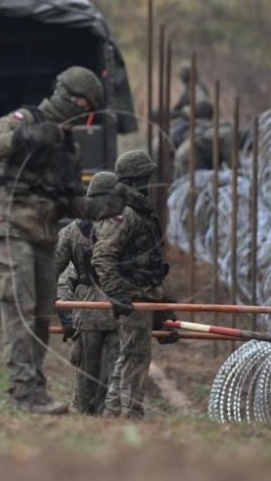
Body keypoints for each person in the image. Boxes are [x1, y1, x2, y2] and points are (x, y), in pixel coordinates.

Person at [0, 65, 103, 415]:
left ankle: (35, 387)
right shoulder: (24, 119)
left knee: (39, 317)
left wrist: (100, 207)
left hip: (45, 235)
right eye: (82, 102)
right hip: (12, 226)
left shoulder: (68, 146)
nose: (84, 111)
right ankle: (24, 392)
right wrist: (26, 138)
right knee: (19, 308)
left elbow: (70, 198)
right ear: (66, 96)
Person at [92, 150, 178, 420]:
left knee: (128, 355)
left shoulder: (139, 209)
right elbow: (102, 255)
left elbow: (151, 263)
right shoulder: (124, 213)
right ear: (134, 180)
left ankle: (114, 411)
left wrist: (163, 304)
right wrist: (116, 292)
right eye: (145, 178)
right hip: (132, 296)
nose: (148, 184)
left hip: (145, 294)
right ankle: (131, 414)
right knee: (136, 357)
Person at [55, 171, 126, 415]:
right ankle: (112, 418)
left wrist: (61, 310)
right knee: (118, 373)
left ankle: (83, 418)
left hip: (86, 309)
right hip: (120, 306)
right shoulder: (125, 225)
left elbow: (53, 270)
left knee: (86, 373)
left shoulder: (72, 230)